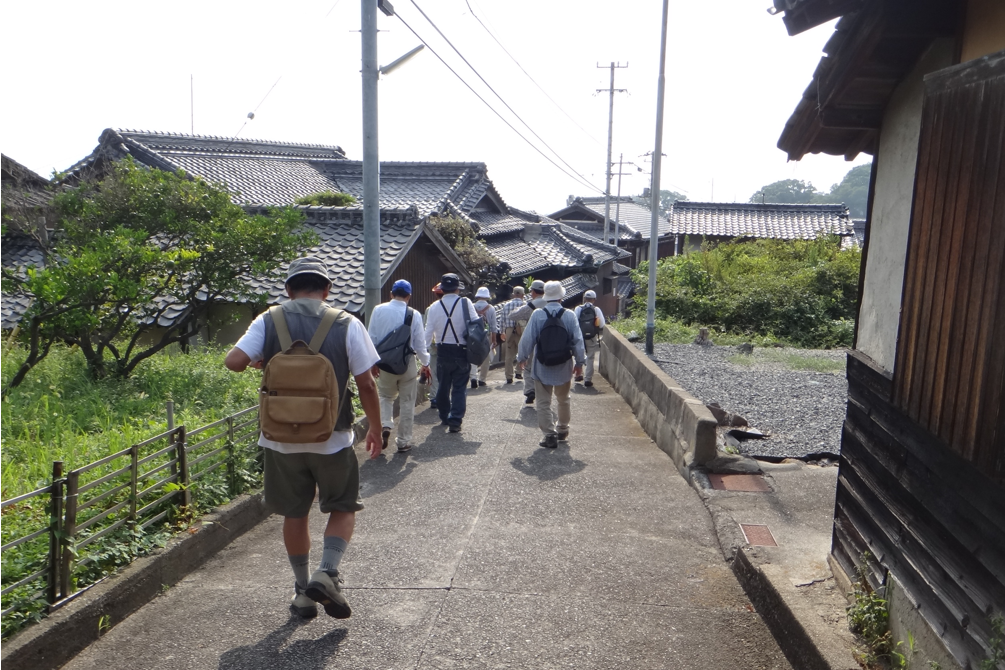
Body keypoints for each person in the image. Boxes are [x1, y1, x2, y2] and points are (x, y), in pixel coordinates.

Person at [224, 257, 382, 621]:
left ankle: (302, 594)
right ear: (326, 290)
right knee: (342, 505)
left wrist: (260, 358)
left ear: (288, 290)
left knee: (295, 513)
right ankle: (326, 573)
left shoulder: (268, 319)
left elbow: (234, 361)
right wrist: (374, 427)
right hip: (332, 435)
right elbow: (367, 383)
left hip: (279, 438)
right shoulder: (346, 322)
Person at [516, 281, 586, 448]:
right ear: (561, 296)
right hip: (564, 364)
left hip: (542, 364)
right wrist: (580, 362)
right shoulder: (569, 315)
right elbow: (578, 340)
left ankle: (549, 435)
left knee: (543, 401)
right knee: (564, 399)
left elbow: (527, 339)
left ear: (546, 297)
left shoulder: (538, 314)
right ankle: (562, 429)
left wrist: (522, 357)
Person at [368, 279, 431, 453]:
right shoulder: (414, 314)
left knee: (386, 397)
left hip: (384, 363)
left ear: (391, 294)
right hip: (407, 364)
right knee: (407, 402)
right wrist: (425, 363)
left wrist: (372, 363)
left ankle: (386, 425)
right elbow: (419, 344)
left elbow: (371, 338)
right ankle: (403, 441)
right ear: (409, 296)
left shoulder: (378, 310)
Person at [423, 273, 479, 433]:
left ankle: (443, 415)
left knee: (443, 385)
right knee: (460, 387)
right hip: (461, 350)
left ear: (442, 289)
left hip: (442, 351)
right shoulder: (465, 302)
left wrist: (424, 356)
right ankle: (455, 420)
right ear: (457, 289)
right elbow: (475, 324)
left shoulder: (434, 307)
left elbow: (427, 333)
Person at [509, 279, 546, 404]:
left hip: (533, 339)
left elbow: (512, 316)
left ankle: (530, 391)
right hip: (549, 339)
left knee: (529, 367)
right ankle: (544, 391)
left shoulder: (531, 306)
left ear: (533, 292)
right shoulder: (551, 303)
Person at [573, 290, 606, 387]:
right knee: (590, 357)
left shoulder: (578, 308)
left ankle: (578, 375)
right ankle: (587, 379)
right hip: (591, 337)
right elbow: (602, 324)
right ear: (594, 300)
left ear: (584, 299)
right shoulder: (596, 309)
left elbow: (574, 323)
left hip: (579, 336)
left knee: (578, 355)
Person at [469, 286, 499, 388]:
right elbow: (493, 326)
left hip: (473, 334)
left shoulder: (471, 307)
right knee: (486, 357)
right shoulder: (491, 309)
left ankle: (473, 377)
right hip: (486, 335)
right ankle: (482, 379)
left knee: (472, 354)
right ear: (487, 297)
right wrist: (494, 340)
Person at [498, 286, 526, 384]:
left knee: (509, 354)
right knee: (522, 352)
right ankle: (519, 372)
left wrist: (502, 332)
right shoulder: (525, 305)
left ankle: (509, 376)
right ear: (523, 295)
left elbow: (502, 320)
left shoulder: (506, 305)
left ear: (513, 294)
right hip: (522, 330)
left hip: (509, 330)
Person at [423, 283, 444, 408]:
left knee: (434, 372)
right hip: (448, 345)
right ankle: (445, 396)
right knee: (447, 372)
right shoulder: (453, 307)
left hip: (433, 344)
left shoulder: (431, 308)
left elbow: (426, 329)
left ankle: (434, 397)